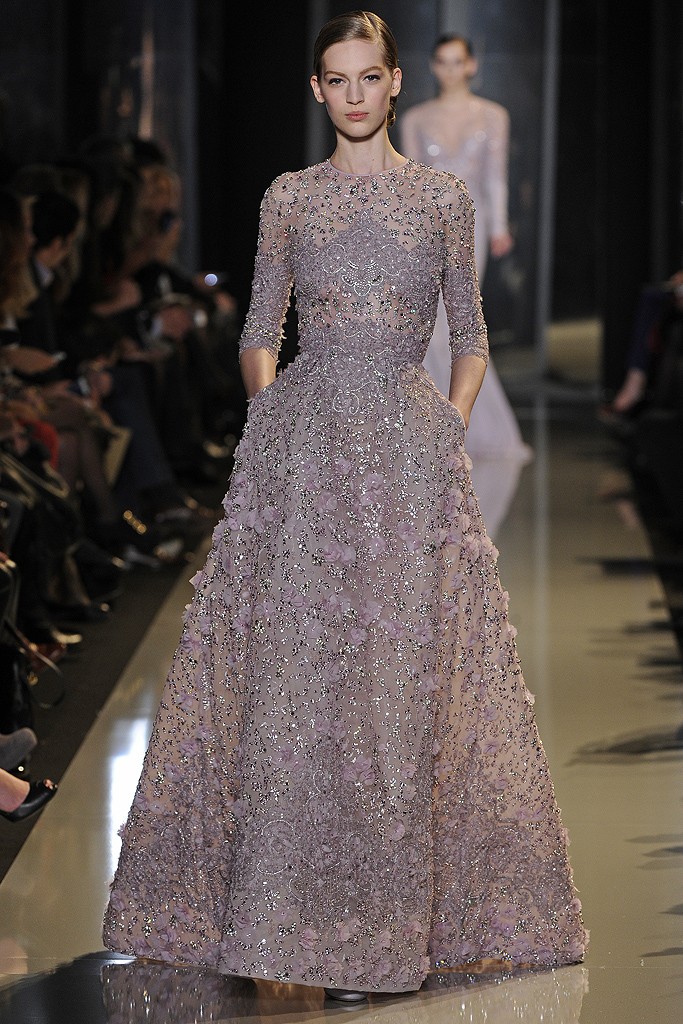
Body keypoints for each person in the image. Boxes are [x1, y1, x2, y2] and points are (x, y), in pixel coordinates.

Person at [102, 9, 587, 1002]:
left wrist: (448, 425)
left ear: (396, 82)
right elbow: (257, 326)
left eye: (371, 75)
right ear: (317, 89)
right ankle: (285, 915)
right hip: (306, 451)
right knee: (300, 675)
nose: (356, 93)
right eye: (338, 78)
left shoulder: (441, 199)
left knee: (400, 676)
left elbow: (469, 334)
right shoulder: (290, 197)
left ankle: (395, 917)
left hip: (408, 454)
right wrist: (269, 416)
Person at [399, 33, 532, 466]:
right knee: (429, 325)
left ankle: (456, 424)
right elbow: (411, 181)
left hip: (471, 225)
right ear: (433, 66)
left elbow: (496, 174)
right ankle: (433, 426)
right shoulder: (415, 118)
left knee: (460, 321)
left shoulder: (493, 114)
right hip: (426, 228)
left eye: (458, 61)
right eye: (443, 61)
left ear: (472, 65)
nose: (451, 69)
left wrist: (499, 226)